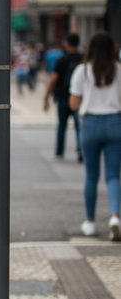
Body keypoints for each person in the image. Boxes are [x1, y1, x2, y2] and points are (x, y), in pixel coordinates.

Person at [69, 32, 121, 241]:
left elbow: (73, 104)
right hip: (115, 123)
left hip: (90, 124)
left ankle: (90, 222)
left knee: (91, 175)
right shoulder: (119, 69)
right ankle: (115, 217)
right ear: (112, 48)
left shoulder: (82, 71)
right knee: (113, 175)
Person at [43, 34, 83, 161]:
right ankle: (81, 150)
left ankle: (59, 151)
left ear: (67, 43)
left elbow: (53, 79)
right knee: (79, 126)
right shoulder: (84, 59)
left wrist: (46, 98)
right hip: (80, 98)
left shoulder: (62, 60)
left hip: (63, 97)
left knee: (61, 125)